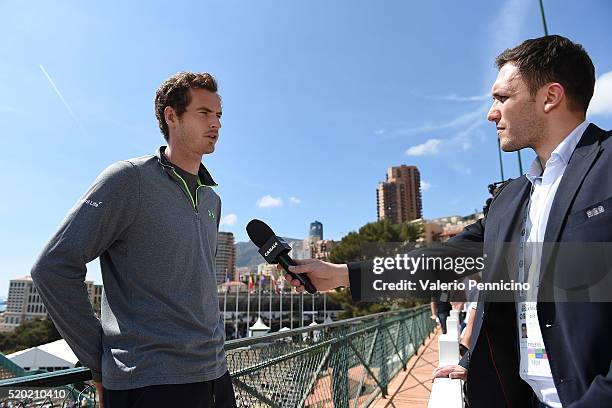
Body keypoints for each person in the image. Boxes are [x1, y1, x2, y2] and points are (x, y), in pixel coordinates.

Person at [282, 35, 611, 407]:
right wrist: (342, 274)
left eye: (502, 98)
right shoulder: (510, 198)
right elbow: (443, 260)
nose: (491, 112)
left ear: (550, 97)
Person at [31, 72, 237, 408]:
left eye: (218, 115)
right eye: (204, 113)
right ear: (172, 116)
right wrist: (98, 358)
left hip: (215, 375)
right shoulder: (129, 179)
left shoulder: (212, 199)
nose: (215, 123)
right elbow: (52, 267)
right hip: (149, 382)